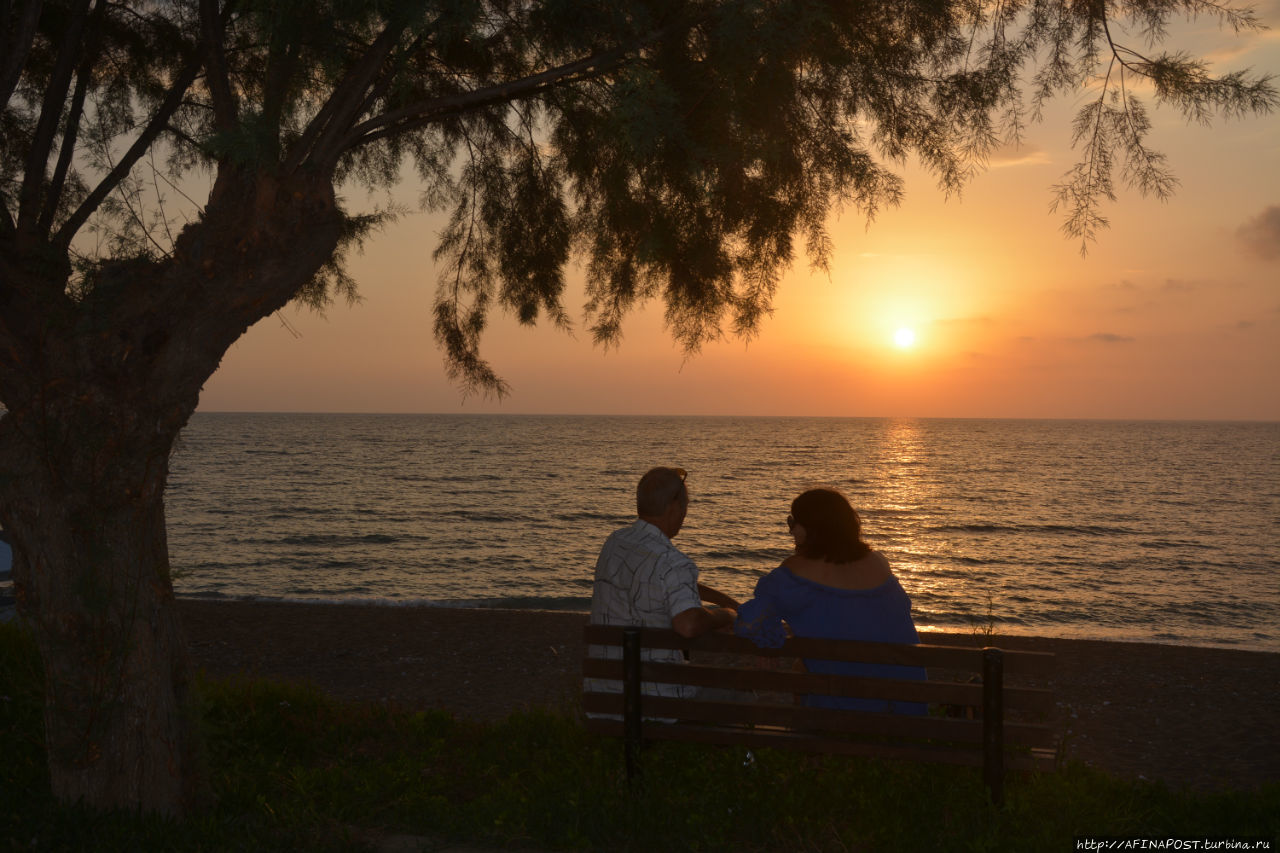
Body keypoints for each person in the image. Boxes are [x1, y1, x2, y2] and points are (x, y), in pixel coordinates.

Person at [734, 487, 925, 714]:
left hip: (846, 712)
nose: (790, 531)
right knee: (803, 666)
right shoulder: (878, 562)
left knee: (804, 672)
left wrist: (767, 640)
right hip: (910, 704)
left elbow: (750, 623)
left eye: (793, 522)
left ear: (812, 529)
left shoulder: (793, 574)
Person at [585, 466, 737, 714]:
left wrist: (721, 599)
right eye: (685, 508)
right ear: (673, 507)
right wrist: (726, 615)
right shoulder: (672, 560)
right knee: (742, 698)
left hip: (606, 694)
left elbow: (659, 582)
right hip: (659, 699)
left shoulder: (615, 543)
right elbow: (688, 624)